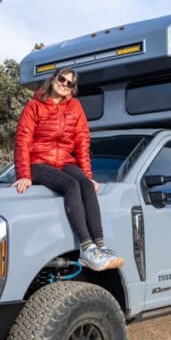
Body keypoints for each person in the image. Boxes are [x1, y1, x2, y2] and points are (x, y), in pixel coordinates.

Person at [13, 67, 124, 271]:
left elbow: (82, 141)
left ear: (73, 89)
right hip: (38, 163)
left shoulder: (75, 107)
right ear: (53, 79)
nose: (64, 84)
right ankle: (87, 248)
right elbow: (23, 139)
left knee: (85, 185)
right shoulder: (34, 106)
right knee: (71, 185)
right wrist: (24, 175)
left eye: (70, 83)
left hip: (64, 161)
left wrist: (88, 175)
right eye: (62, 79)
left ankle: (100, 246)